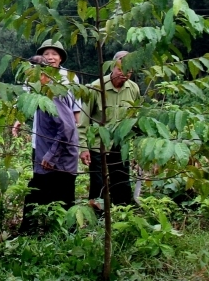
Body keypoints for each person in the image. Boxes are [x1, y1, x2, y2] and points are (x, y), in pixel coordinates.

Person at [21, 55, 79, 233]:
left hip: (59, 161)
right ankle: (35, 233)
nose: (28, 80)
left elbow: (67, 128)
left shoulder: (54, 94)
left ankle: (63, 238)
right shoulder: (42, 94)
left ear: (44, 74)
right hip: (51, 158)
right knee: (42, 197)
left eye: (31, 75)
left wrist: (51, 155)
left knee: (59, 201)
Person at [79, 51, 140, 207]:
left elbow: (135, 118)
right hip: (98, 144)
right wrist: (83, 147)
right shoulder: (96, 87)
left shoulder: (133, 89)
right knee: (98, 183)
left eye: (129, 70)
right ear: (112, 66)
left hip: (121, 144)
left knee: (122, 180)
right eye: (120, 69)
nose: (124, 73)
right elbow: (83, 121)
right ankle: (97, 214)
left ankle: (122, 212)